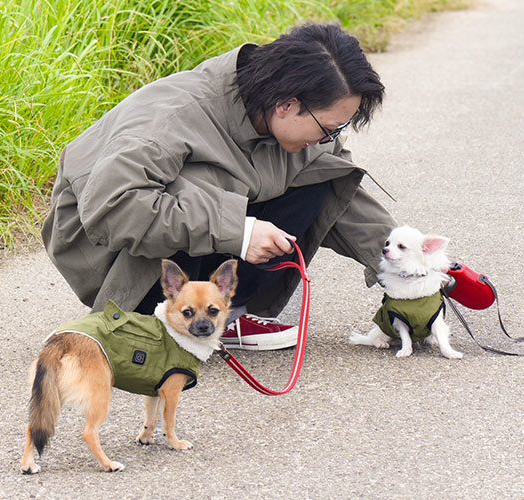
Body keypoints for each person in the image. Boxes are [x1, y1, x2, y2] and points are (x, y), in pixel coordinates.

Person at [42, 23, 397, 351]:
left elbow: (341, 197)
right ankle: (139, 318)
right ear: (287, 105)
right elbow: (113, 207)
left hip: (174, 228)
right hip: (103, 247)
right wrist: (239, 231)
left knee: (319, 173)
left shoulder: (281, 116)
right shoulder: (173, 117)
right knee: (196, 186)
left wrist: (412, 269)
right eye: (328, 128)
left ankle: (227, 316)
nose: (330, 137)